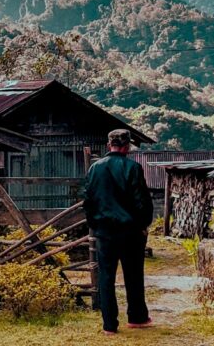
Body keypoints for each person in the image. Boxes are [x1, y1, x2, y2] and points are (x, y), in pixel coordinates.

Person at [83, 129, 154, 335]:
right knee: (133, 275)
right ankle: (137, 317)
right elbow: (142, 201)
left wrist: (95, 225)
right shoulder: (133, 167)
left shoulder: (95, 168)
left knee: (106, 277)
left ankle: (109, 325)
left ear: (108, 145)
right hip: (130, 231)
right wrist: (143, 225)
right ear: (127, 146)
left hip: (105, 231)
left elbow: (88, 202)